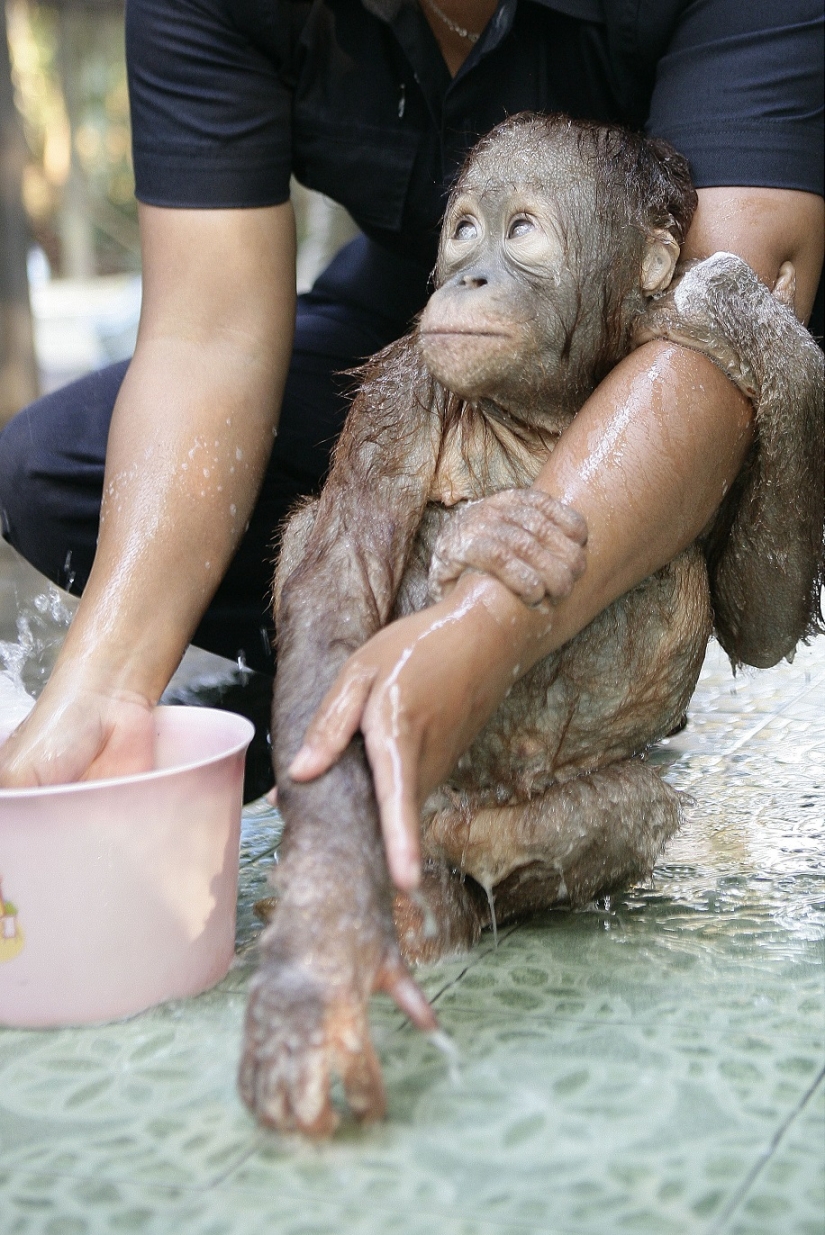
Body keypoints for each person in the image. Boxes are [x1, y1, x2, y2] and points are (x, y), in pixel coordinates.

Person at [0, 0, 822, 892]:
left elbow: (727, 318)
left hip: (701, 334)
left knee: (751, 350)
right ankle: (347, 696)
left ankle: (513, 679)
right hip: (459, 336)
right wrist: (105, 681)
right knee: (61, 467)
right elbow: (207, 339)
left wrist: (484, 629)